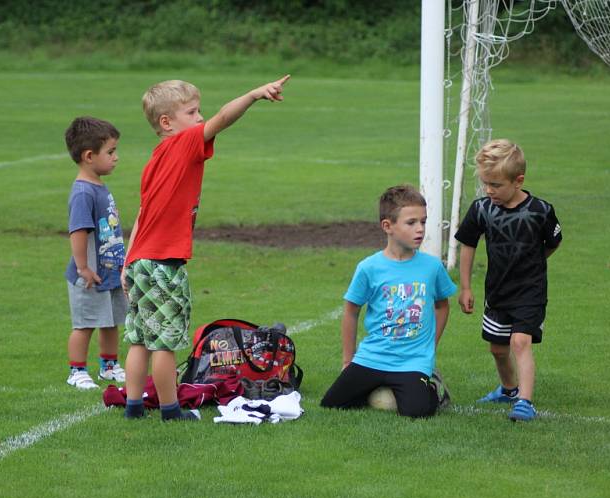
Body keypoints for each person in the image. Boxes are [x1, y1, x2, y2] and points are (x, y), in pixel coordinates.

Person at [121, 75, 290, 421]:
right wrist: (254, 93)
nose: (201, 118)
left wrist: (127, 261)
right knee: (164, 344)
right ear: (166, 123)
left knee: (139, 339)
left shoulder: (155, 159)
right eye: (192, 112)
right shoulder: (181, 144)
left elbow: (142, 213)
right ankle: (171, 410)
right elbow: (224, 119)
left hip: (140, 261)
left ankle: (134, 407)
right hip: (163, 265)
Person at [320, 185, 457, 418]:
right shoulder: (368, 268)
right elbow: (351, 311)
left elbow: (442, 306)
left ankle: (432, 388)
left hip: (412, 361)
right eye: (411, 222)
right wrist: (347, 360)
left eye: (423, 222)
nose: (420, 229)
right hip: (373, 356)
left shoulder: (432, 267)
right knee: (332, 404)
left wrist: (429, 348)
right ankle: (377, 385)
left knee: (416, 412)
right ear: (388, 226)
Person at [455, 139, 562, 422]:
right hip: (497, 291)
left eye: (496, 185)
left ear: (518, 181)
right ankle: (509, 389)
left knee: (519, 343)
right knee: (497, 347)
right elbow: (467, 244)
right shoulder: (481, 209)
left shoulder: (541, 211)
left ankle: (525, 403)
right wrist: (465, 286)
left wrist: (535, 263)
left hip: (530, 291)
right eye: (485, 184)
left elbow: (553, 242)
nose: (489, 190)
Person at [63, 117, 128, 390]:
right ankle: (76, 371)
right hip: (90, 274)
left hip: (109, 271)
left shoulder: (99, 186)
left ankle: (109, 366)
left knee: (111, 321)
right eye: (110, 152)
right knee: (85, 324)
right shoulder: (83, 193)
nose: (116, 157)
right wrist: (83, 268)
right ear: (89, 156)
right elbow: (78, 232)